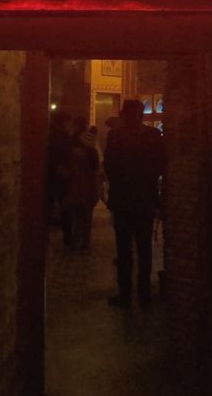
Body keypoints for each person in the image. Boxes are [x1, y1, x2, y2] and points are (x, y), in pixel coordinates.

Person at [103, 99, 165, 307]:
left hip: (123, 198)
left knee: (124, 249)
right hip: (145, 198)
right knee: (144, 248)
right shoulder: (153, 136)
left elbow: (110, 166)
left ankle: (126, 294)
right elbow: (160, 165)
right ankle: (144, 294)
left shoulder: (116, 137)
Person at [66, 117, 101, 251]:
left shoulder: (71, 145)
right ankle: (84, 241)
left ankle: (75, 240)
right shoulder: (91, 150)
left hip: (75, 184)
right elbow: (95, 165)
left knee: (75, 215)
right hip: (87, 184)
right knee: (86, 216)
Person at [47, 111, 73, 247]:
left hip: (52, 177)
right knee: (66, 208)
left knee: (50, 206)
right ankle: (68, 239)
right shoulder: (61, 136)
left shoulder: (50, 134)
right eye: (69, 122)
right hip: (60, 177)